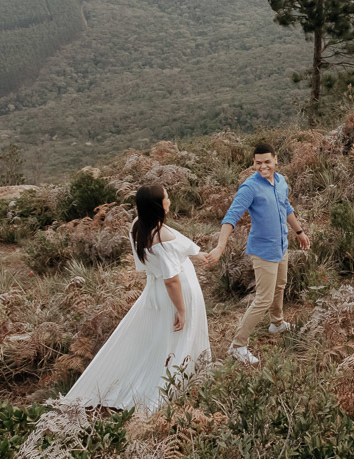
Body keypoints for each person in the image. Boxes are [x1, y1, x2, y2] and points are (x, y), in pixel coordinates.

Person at [64, 185, 210, 413]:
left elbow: (170, 253)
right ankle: (177, 385)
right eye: (166, 198)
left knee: (160, 339)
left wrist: (195, 254)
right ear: (158, 205)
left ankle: (163, 377)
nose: (169, 201)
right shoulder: (161, 236)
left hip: (154, 293)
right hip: (175, 294)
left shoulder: (138, 226)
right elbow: (171, 280)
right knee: (180, 338)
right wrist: (181, 310)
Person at [206, 143, 310, 364]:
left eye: (267, 162)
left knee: (280, 285)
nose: (263, 166)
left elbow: (286, 207)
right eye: (258, 163)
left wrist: (299, 232)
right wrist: (220, 246)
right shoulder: (250, 187)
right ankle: (238, 345)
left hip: (281, 245)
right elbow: (231, 216)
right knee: (263, 298)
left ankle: (277, 323)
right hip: (263, 250)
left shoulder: (281, 181)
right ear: (254, 163)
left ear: (275, 160)